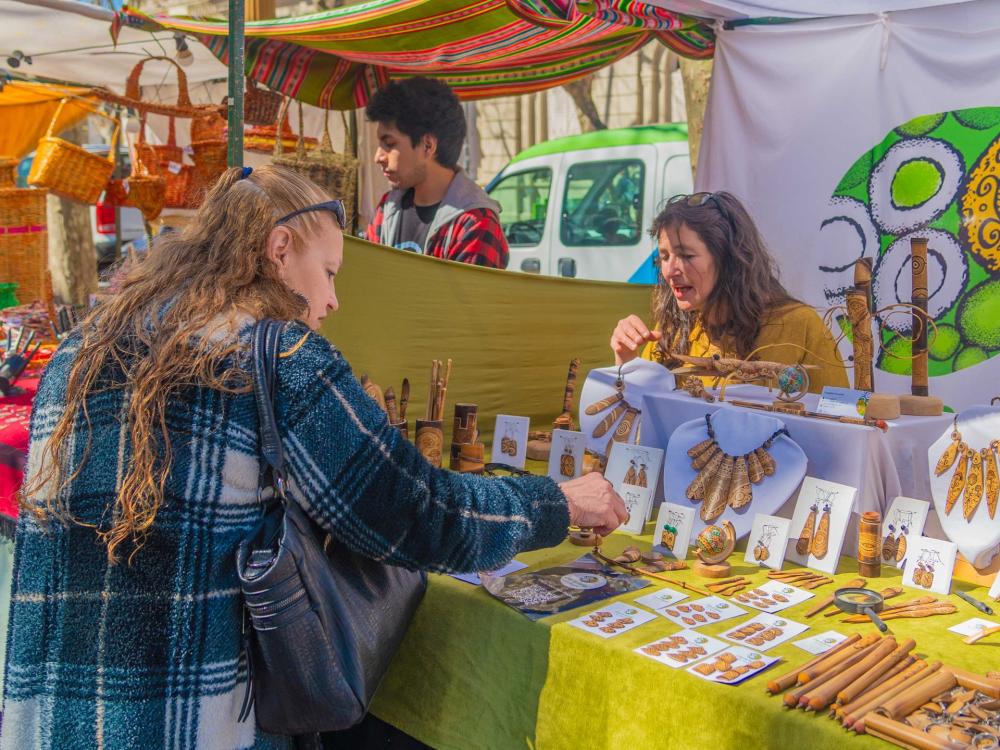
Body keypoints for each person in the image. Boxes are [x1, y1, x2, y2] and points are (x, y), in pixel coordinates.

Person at [0, 165, 626, 750]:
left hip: (48, 719)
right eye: (328, 272)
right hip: (188, 719)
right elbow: (416, 513)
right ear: (279, 251)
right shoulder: (277, 357)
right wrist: (557, 501)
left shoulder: (79, 350)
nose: (332, 301)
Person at [611, 192, 848, 392]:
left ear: (727, 258)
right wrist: (626, 360)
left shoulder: (797, 325)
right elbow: (639, 419)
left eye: (686, 255)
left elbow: (841, 421)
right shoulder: (670, 333)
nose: (670, 270)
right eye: (664, 256)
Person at [365, 77, 509, 269]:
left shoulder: (474, 222)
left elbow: (472, 298)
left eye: (389, 144)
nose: (378, 157)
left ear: (427, 145)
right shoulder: (388, 207)